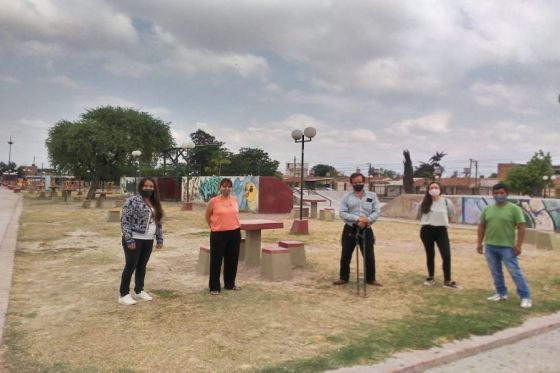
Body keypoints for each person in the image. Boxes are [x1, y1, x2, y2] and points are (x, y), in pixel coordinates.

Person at [477, 183, 532, 308]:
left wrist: (519, 245)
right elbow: (481, 227)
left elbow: (521, 227)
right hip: (490, 246)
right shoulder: (487, 209)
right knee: (496, 272)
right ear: (493, 194)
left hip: (507, 247)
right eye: (496, 193)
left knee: (515, 272)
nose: (499, 195)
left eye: (501, 193)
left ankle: (525, 297)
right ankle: (501, 293)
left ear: (507, 193)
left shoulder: (514, 209)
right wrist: (479, 243)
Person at [118, 177, 164, 305]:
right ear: (141, 187)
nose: (148, 188)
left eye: (151, 186)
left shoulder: (154, 202)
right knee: (130, 266)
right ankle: (124, 294)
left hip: (148, 239)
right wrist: (129, 239)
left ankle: (139, 290)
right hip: (134, 239)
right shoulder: (132, 200)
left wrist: (159, 238)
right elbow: (125, 220)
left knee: (142, 266)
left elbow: (158, 222)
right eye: (146, 186)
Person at [333, 172, 382, 286]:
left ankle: (371, 278)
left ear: (364, 182)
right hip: (350, 228)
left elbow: (377, 211)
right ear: (351, 183)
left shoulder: (372, 196)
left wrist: (366, 220)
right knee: (346, 254)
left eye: (360, 182)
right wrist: (357, 219)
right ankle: (343, 277)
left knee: (369, 255)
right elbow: (342, 213)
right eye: (355, 182)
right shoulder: (346, 197)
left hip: (367, 228)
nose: (358, 184)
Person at [416, 181, 459, 288]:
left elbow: (450, 215)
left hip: (441, 231)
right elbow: (418, 216)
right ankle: (430, 277)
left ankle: (447, 280)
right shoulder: (424, 202)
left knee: (446, 255)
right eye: (432, 188)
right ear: (428, 190)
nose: (434, 189)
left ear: (440, 189)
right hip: (427, 231)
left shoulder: (446, 202)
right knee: (430, 255)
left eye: (436, 187)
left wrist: (442, 222)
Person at [205, 178, 242, 295]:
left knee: (232, 259)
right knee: (216, 260)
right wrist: (213, 227)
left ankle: (230, 284)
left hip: (235, 232)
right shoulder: (214, 201)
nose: (226, 188)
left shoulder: (235, 200)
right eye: (224, 186)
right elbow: (207, 216)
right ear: (220, 187)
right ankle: (214, 287)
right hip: (218, 234)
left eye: (229, 186)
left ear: (231, 188)